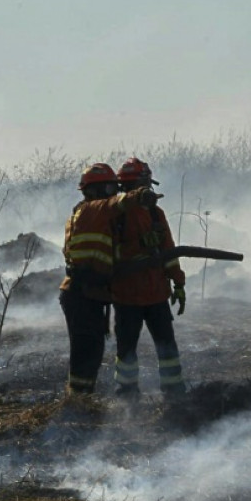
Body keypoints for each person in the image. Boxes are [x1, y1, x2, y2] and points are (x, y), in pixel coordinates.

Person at [59, 163, 158, 394]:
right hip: (81, 292)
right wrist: (142, 193)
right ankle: (79, 401)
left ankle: (81, 396)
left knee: (91, 346)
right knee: (87, 348)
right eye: (110, 188)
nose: (114, 192)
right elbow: (120, 202)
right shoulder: (96, 209)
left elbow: (111, 254)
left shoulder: (87, 213)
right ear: (97, 190)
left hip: (86, 291)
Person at [110, 157, 187, 398]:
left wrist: (178, 282)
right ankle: (127, 393)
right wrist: (139, 246)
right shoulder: (114, 214)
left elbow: (169, 251)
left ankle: (174, 390)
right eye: (142, 183)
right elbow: (109, 254)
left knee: (166, 345)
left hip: (156, 294)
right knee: (127, 349)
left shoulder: (155, 213)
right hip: (127, 296)